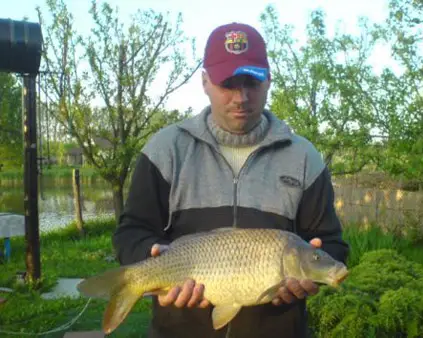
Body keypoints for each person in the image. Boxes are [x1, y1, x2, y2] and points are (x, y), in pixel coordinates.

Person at [113, 22, 349, 338]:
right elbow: (131, 233)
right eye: (228, 83)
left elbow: (331, 243)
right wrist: (152, 261)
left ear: (268, 81)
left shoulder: (304, 157)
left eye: (252, 81)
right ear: (205, 82)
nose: (241, 97)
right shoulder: (165, 150)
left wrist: (311, 274)